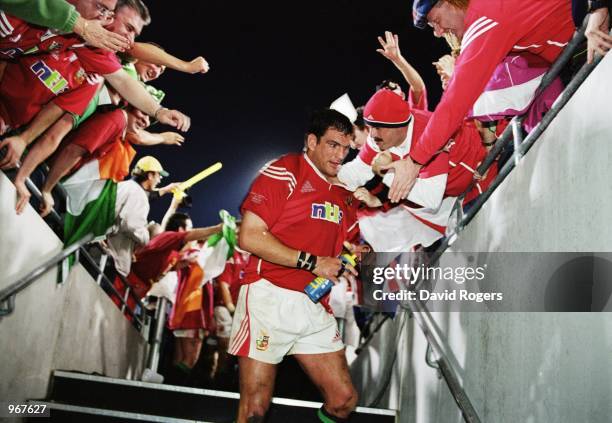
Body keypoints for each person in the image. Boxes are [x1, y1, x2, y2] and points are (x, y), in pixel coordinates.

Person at [231, 109, 360, 423]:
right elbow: (249, 236)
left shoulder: (346, 195)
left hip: (314, 304)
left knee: (343, 401)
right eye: (332, 145)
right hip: (268, 298)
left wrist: (354, 256)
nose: (340, 155)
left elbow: (352, 247)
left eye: (346, 148)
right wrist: (314, 262)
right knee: (255, 410)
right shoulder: (286, 169)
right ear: (311, 141)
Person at [384, 0, 575, 203]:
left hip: (585, 34)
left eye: (436, 21)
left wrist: (414, 162)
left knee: (478, 97)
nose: (438, 32)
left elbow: (454, 103)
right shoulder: (487, 12)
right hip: (566, 53)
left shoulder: (484, 18)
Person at [0, 0, 129, 51]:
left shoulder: (72, 37)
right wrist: (79, 23)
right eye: (101, 8)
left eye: (107, 13)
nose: (102, 17)